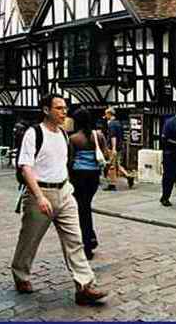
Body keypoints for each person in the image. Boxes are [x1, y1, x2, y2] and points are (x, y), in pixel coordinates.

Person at [11, 94, 107, 305]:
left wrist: (68, 187)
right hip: (40, 193)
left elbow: (63, 163)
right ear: (46, 110)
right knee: (29, 240)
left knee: (75, 240)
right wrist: (39, 197)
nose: (64, 112)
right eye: (59, 108)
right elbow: (25, 167)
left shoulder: (64, 134)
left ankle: (84, 285)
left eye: (65, 108)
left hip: (64, 192)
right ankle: (21, 274)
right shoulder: (34, 133)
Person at [69, 108, 107, 260]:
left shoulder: (73, 138)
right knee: (85, 206)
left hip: (79, 176)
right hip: (93, 176)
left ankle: (87, 243)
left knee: (82, 210)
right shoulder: (98, 135)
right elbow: (104, 154)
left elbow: (70, 160)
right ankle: (90, 238)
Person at [102, 107, 134, 191]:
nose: (106, 116)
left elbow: (113, 136)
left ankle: (112, 184)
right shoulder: (118, 123)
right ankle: (129, 176)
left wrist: (113, 148)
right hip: (120, 146)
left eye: (106, 114)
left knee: (112, 166)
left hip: (113, 147)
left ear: (109, 114)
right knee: (117, 164)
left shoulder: (111, 124)